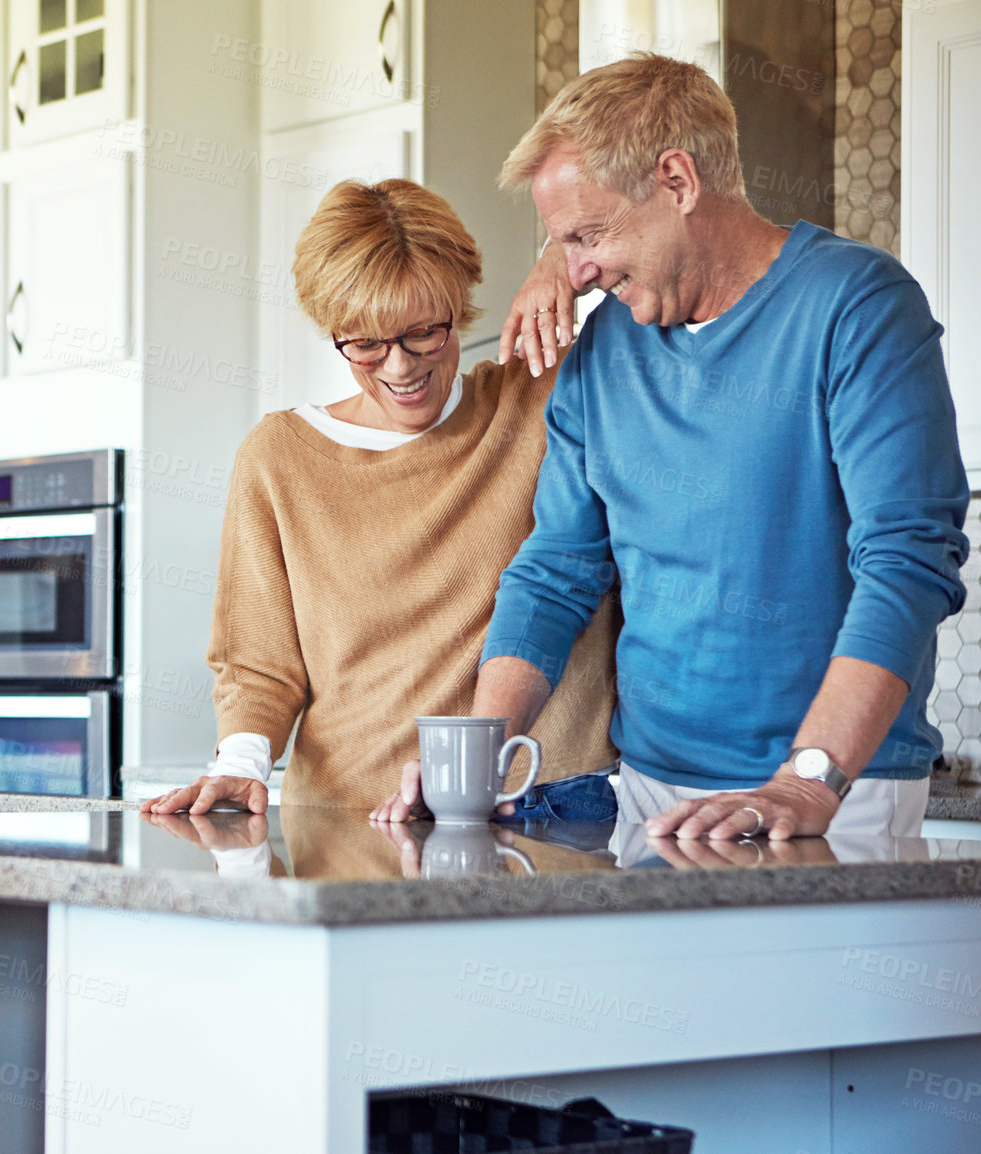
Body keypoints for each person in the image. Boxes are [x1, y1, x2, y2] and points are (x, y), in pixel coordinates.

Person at [377, 53, 968, 840]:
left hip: (833, 796)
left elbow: (907, 559)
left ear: (678, 181)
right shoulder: (602, 355)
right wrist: (478, 754)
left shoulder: (858, 308)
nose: (576, 272)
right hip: (650, 792)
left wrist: (810, 780)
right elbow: (556, 571)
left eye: (589, 234)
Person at [142, 178, 619, 819]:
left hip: (536, 807)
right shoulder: (279, 457)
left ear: (462, 303)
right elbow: (257, 661)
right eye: (365, 343)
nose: (399, 368)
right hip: (349, 818)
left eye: (423, 332)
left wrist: (555, 258)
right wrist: (240, 764)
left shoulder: (535, 397)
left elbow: (629, 213)